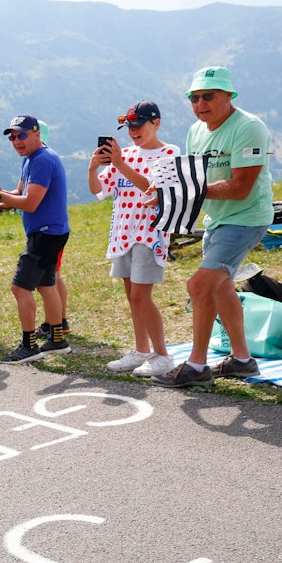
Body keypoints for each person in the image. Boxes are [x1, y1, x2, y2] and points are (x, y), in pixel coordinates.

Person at [151, 66, 274, 388]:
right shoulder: (196, 130)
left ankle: (197, 365)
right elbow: (193, 179)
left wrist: (182, 191)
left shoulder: (248, 127)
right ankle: (242, 360)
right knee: (221, 288)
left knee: (199, 286)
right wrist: (168, 197)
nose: (200, 104)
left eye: (208, 96)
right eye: (194, 98)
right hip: (217, 220)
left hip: (246, 218)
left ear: (229, 95)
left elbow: (241, 187)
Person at [88, 101, 178, 377]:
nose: (133, 132)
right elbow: (98, 190)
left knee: (141, 295)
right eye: (129, 127)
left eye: (138, 125)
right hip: (122, 233)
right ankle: (141, 350)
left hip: (150, 233)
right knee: (132, 296)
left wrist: (119, 163)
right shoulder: (125, 154)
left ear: (156, 123)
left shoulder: (169, 153)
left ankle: (162, 355)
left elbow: (153, 189)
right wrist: (92, 168)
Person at [0, 115, 71, 363]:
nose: (16, 141)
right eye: (12, 137)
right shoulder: (31, 158)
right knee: (46, 285)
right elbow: (18, 193)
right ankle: (57, 340)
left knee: (20, 288)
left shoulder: (42, 160)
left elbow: (30, 202)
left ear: (37, 134)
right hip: (50, 232)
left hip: (45, 234)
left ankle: (29, 346)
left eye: (22, 135)